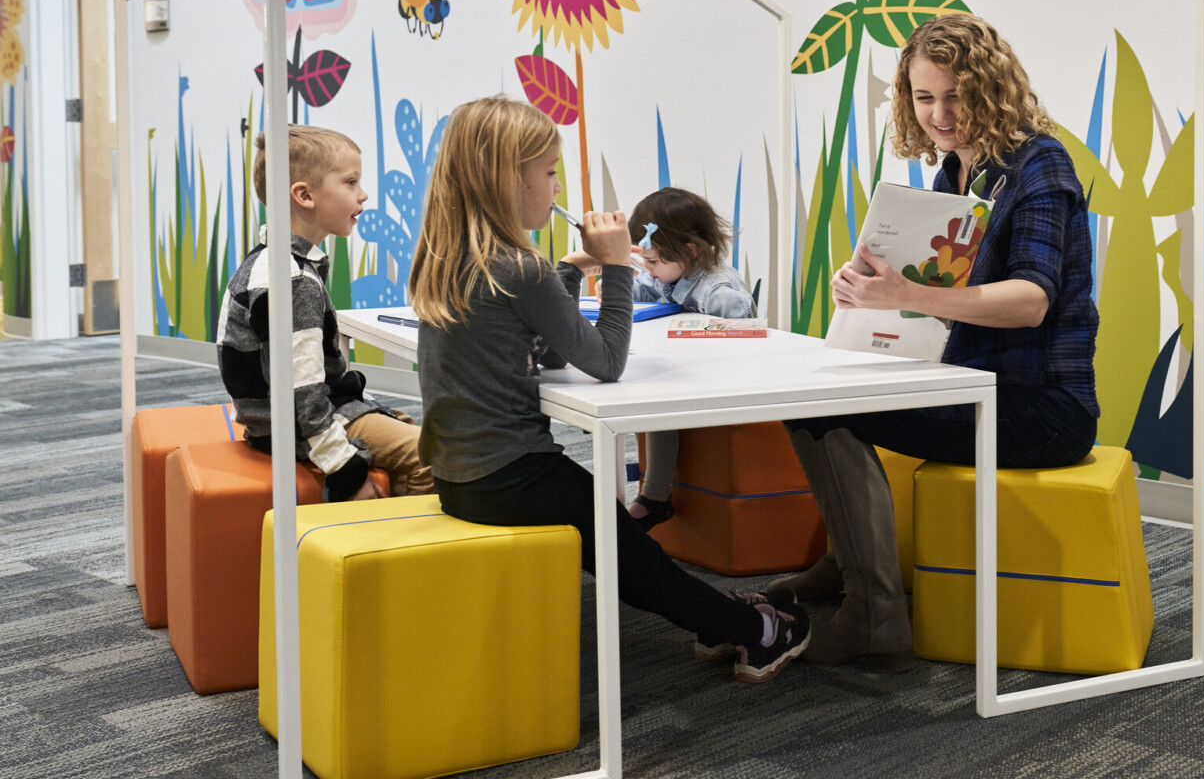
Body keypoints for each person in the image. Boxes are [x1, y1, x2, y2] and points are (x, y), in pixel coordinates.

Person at [409, 95, 809, 683]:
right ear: (507, 180)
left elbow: (541, 351)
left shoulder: (446, 256)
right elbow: (604, 361)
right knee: (638, 562)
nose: (554, 186)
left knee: (627, 545)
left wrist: (570, 270)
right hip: (514, 472)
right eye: (548, 173)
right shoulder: (520, 268)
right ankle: (756, 632)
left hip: (459, 473)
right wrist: (619, 268)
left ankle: (719, 616)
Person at [774, 15, 1099, 670]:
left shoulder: (1042, 164)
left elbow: (1031, 302)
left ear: (991, 87)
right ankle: (849, 561)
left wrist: (906, 295)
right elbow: (935, 304)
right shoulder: (954, 173)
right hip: (970, 384)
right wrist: (865, 290)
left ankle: (875, 611)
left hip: (1044, 408)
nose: (939, 114)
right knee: (808, 396)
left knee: (825, 410)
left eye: (956, 95)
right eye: (924, 98)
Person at [217, 126, 433, 502]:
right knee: (434, 452)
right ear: (304, 195)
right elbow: (303, 391)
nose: (362, 194)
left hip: (274, 421)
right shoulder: (292, 279)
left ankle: (395, 527)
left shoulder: (278, 262)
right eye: (350, 182)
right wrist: (344, 467)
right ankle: (404, 547)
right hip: (290, 428)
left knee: (407, 425)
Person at [623, 187, 755, 531]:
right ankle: (653, 495)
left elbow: (744, 340)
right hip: (691, 376)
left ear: (690, 250)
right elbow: (645, 290)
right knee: (653, 389)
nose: (648, 270)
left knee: (659, 395)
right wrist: (620, 284)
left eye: (652, 262)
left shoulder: (718, 292)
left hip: (727, 380)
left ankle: (654, 497)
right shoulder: (672, 274)